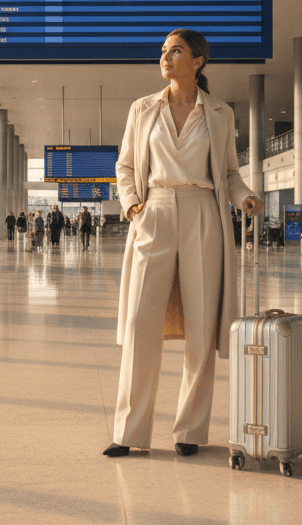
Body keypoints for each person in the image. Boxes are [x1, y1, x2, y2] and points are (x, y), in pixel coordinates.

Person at [104, 29, 260, 459]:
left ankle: (189, 430)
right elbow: (126, 165)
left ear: (198, 61)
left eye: (176, 51)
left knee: (201, 324)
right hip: (152, 211)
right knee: (140, 323)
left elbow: (228, 172)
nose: (165, 58)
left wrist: (244, 195)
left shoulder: (220, 113)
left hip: (202, 213)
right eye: (163, 52)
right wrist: (134, 205)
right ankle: (128, 430)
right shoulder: (143, 109)